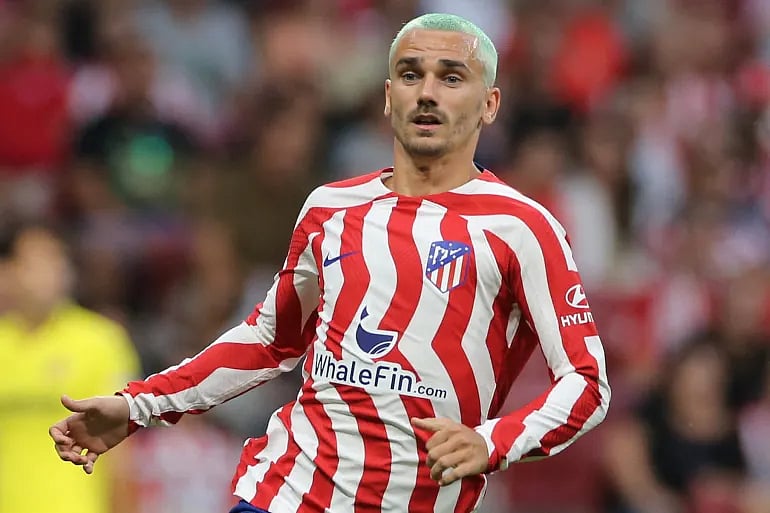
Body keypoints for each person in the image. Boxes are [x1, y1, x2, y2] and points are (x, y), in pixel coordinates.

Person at [50, 13, 611, 513]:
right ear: (388, 96)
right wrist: (139, 405)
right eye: (411, 75)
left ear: (489, 104)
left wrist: (492, 442)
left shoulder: (522, 227)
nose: (427, 93)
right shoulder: (330, 207)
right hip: (288, 495)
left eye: (451, 78)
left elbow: (586, 383)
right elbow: (270, 339)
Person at [0, 224, 140, 513]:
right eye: (34, 264)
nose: (47, 275)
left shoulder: (102, 341)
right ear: (9, 271)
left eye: (56, 261)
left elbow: (122, 454)